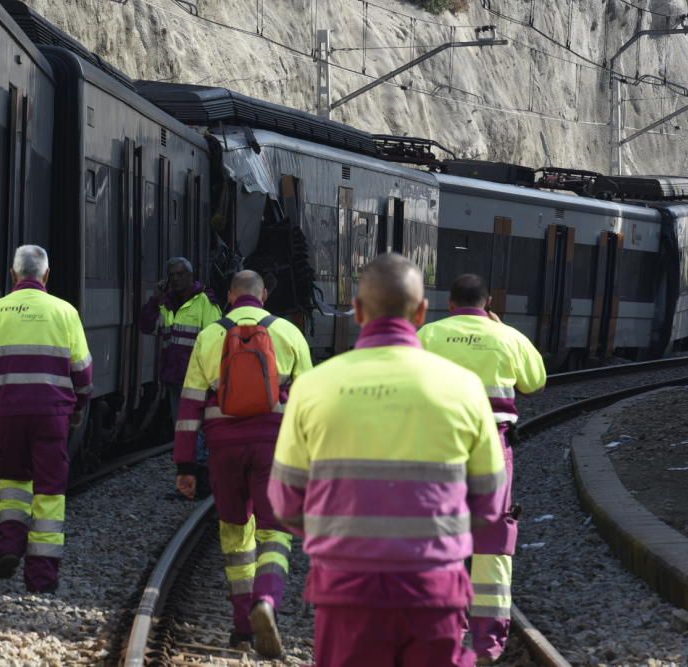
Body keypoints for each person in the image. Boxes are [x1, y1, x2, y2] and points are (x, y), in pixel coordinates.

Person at [268, 253, 507, 667]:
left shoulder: (314, 387)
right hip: (434, 590)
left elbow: (286, 501)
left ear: (358, 310)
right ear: (421, 312)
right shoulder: (464, 388)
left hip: (346, 589)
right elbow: (489, 502)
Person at [173, 270, 312, 658]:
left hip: (224, 449)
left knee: (235, 536)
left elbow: (188, 406)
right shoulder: (288, 334)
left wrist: (185, 465)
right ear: (263, 295)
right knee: (275, 532)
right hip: (274, 448)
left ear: (231, 296)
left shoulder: (209, 335)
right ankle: (266, 600)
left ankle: (241, 627)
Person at [418, 273, 547, 664]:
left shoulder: (428, 335)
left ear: (451, 303)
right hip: (491, 447)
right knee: (492, 540)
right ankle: (488, 642)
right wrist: (502, 330)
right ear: (488, 303)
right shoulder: (508, 337)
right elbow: (536, 381)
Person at [0, 245, 93, 594]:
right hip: (52, 415)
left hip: (6, 413)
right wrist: (79, 404)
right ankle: (41, 577)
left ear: (13, 275)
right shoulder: (65, 312)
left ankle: (8, 546)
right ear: (46, 275)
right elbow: (83, 370)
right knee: (49, 491)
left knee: (12, 482)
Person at [140, 257, 220, 492]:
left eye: (179, 274)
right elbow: (147, 326)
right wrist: (154, 298)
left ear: (190, 276)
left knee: (200, 430)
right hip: (175, 378)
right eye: (171, 275)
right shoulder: (165, 303)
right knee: (184, 429)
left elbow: (216, 339)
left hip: (199, 378)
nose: (175, 279)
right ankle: (191, 481)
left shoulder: (205, 301)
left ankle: (203, 480)